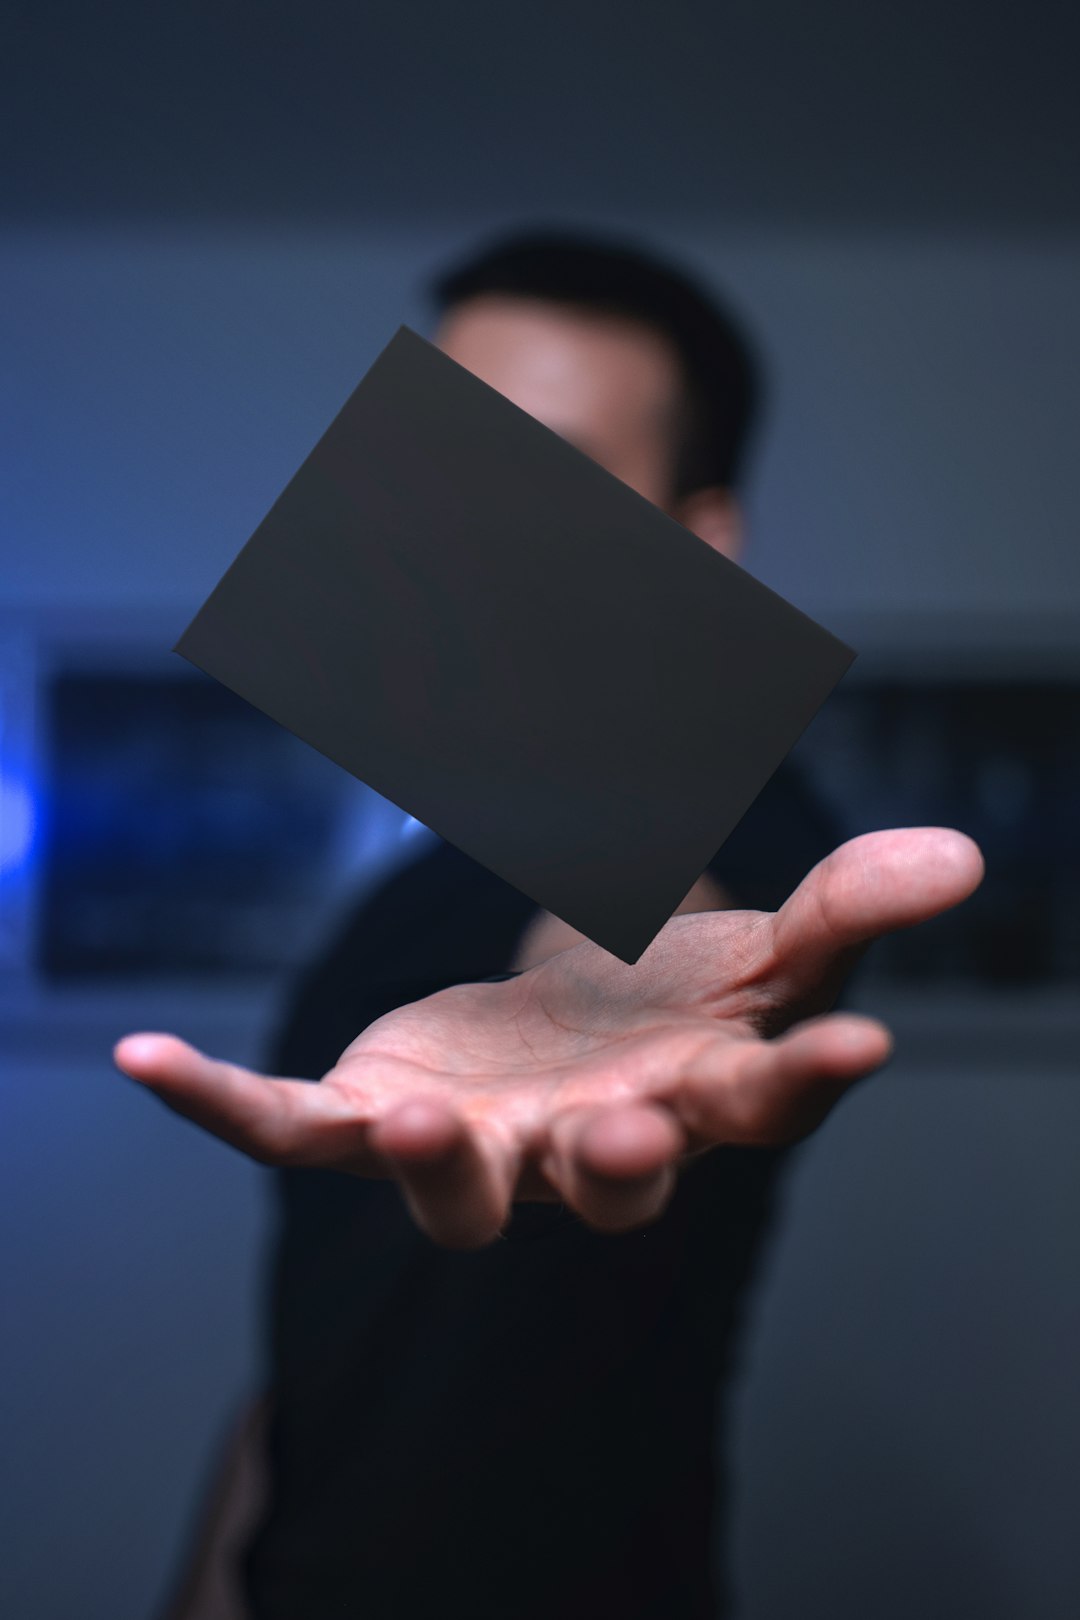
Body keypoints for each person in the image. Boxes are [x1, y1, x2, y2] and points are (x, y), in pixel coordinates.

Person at [115, 230, 985, 1619]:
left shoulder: (748, 819)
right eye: (447, 460)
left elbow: (668, 933)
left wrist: (609, 1000)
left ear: (699, 542)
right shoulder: (409, 890)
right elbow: (326, 1345)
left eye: (553, 474)